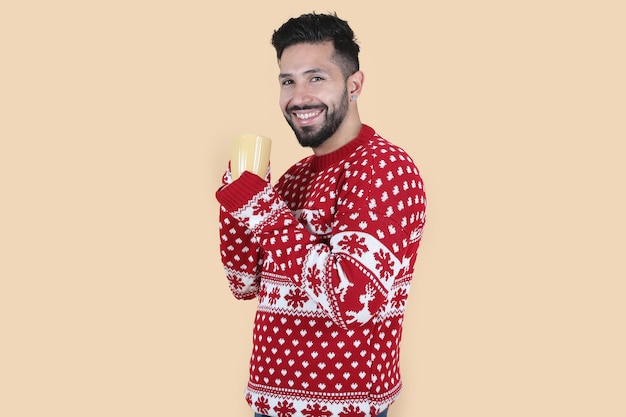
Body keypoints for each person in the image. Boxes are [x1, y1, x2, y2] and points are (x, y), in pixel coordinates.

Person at [215, 12, 426, 417]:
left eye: (316, 77)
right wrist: (236, 200)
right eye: (287, 80)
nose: (299, 96)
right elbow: (243, 283)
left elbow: (351, 298)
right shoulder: (294, 179)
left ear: (354, 84)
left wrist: (259, 207)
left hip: (343, 409)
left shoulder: (385, 168)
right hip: (269, 402)